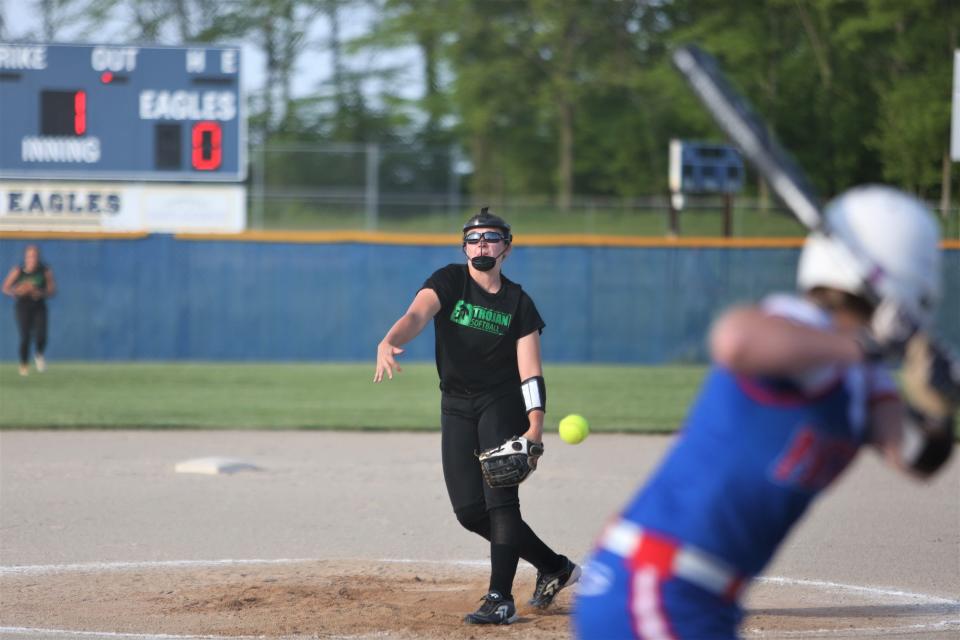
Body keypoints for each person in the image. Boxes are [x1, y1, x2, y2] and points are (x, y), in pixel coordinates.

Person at [573, 186, 958, 639]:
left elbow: (913, 460)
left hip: (703, 600)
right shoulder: (800, 326)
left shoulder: (862, 378)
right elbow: (734, 340)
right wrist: (867, 344)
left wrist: (940, 406)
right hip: (657, 585)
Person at [374, 207, 580, 625]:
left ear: (507, 246)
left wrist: (535, 424)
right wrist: (389, 339)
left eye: (490, 237)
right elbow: (416, 315)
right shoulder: (449, 281)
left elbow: (530, 370)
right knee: (470, 511)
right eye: (473, 238)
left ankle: (500, 598)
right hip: (455, 403)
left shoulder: (518, 303)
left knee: (501, 498)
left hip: (500, 402)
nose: (481, 244)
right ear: (464, 246)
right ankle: (555, 567)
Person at [3, 244, 57, 376]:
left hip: (39, 305)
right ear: (25, 257)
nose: (32, 259)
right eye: (29, 256)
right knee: (25, 335)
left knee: (41, 335)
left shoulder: (44, 270)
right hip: (23, 305)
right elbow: (5, 288)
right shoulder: (18, 270)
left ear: (38, 257)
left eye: (34, 256)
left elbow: (52, 290)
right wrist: (17, 291)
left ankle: (39, 354)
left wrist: (39, 292)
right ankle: (24, 365)